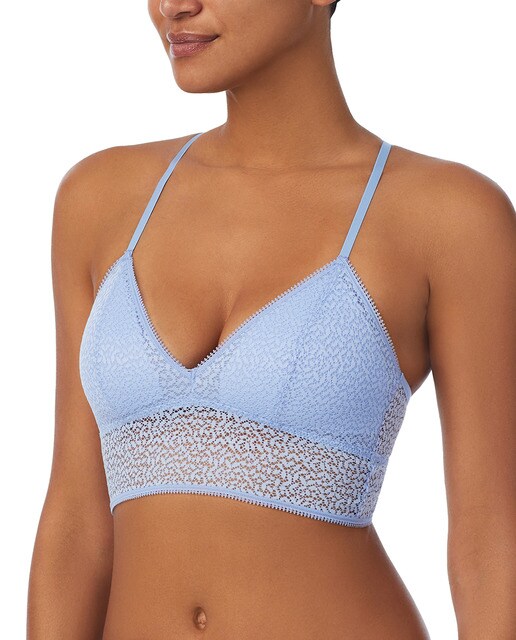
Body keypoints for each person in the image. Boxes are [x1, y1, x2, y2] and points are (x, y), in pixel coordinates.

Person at [27, 1, 516, 638]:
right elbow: (75, 521)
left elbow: (489, 544)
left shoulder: (448, 217)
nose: (174, 5)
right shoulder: (99, 200)